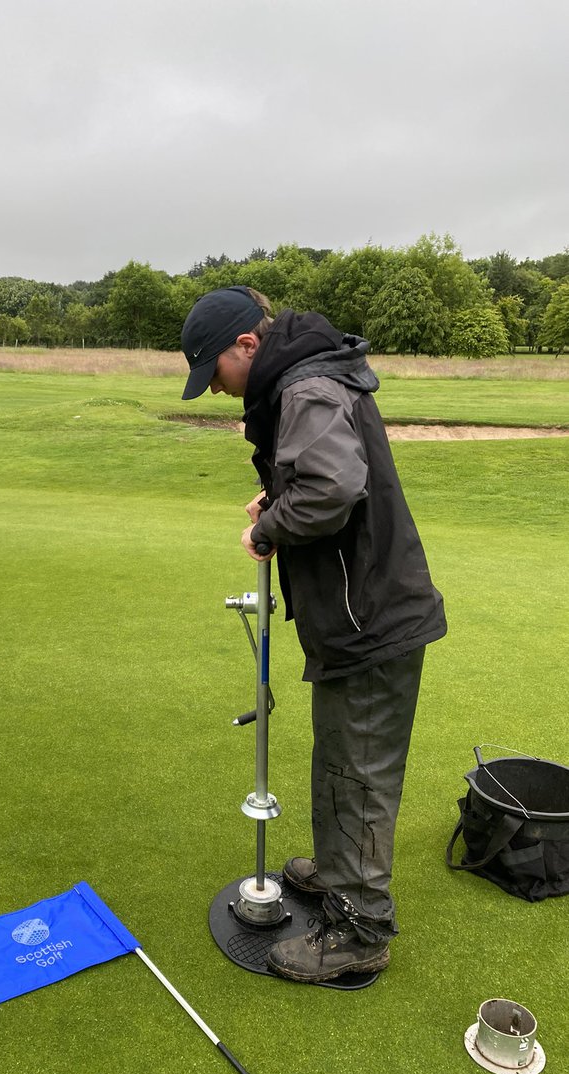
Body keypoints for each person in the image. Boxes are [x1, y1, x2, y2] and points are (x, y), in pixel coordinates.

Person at [181, 286, 446, 983]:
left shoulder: (306, 386)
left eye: (216, 372)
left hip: (372, 619)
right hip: (357, 615)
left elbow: (332, 488)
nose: (216, 389)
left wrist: (267, 527)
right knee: (340, 756)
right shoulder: (308, 377)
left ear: (247, 346)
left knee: (358, 770)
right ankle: (337, 873)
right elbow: (317, 475)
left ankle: (361, 930)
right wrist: (278, 493)